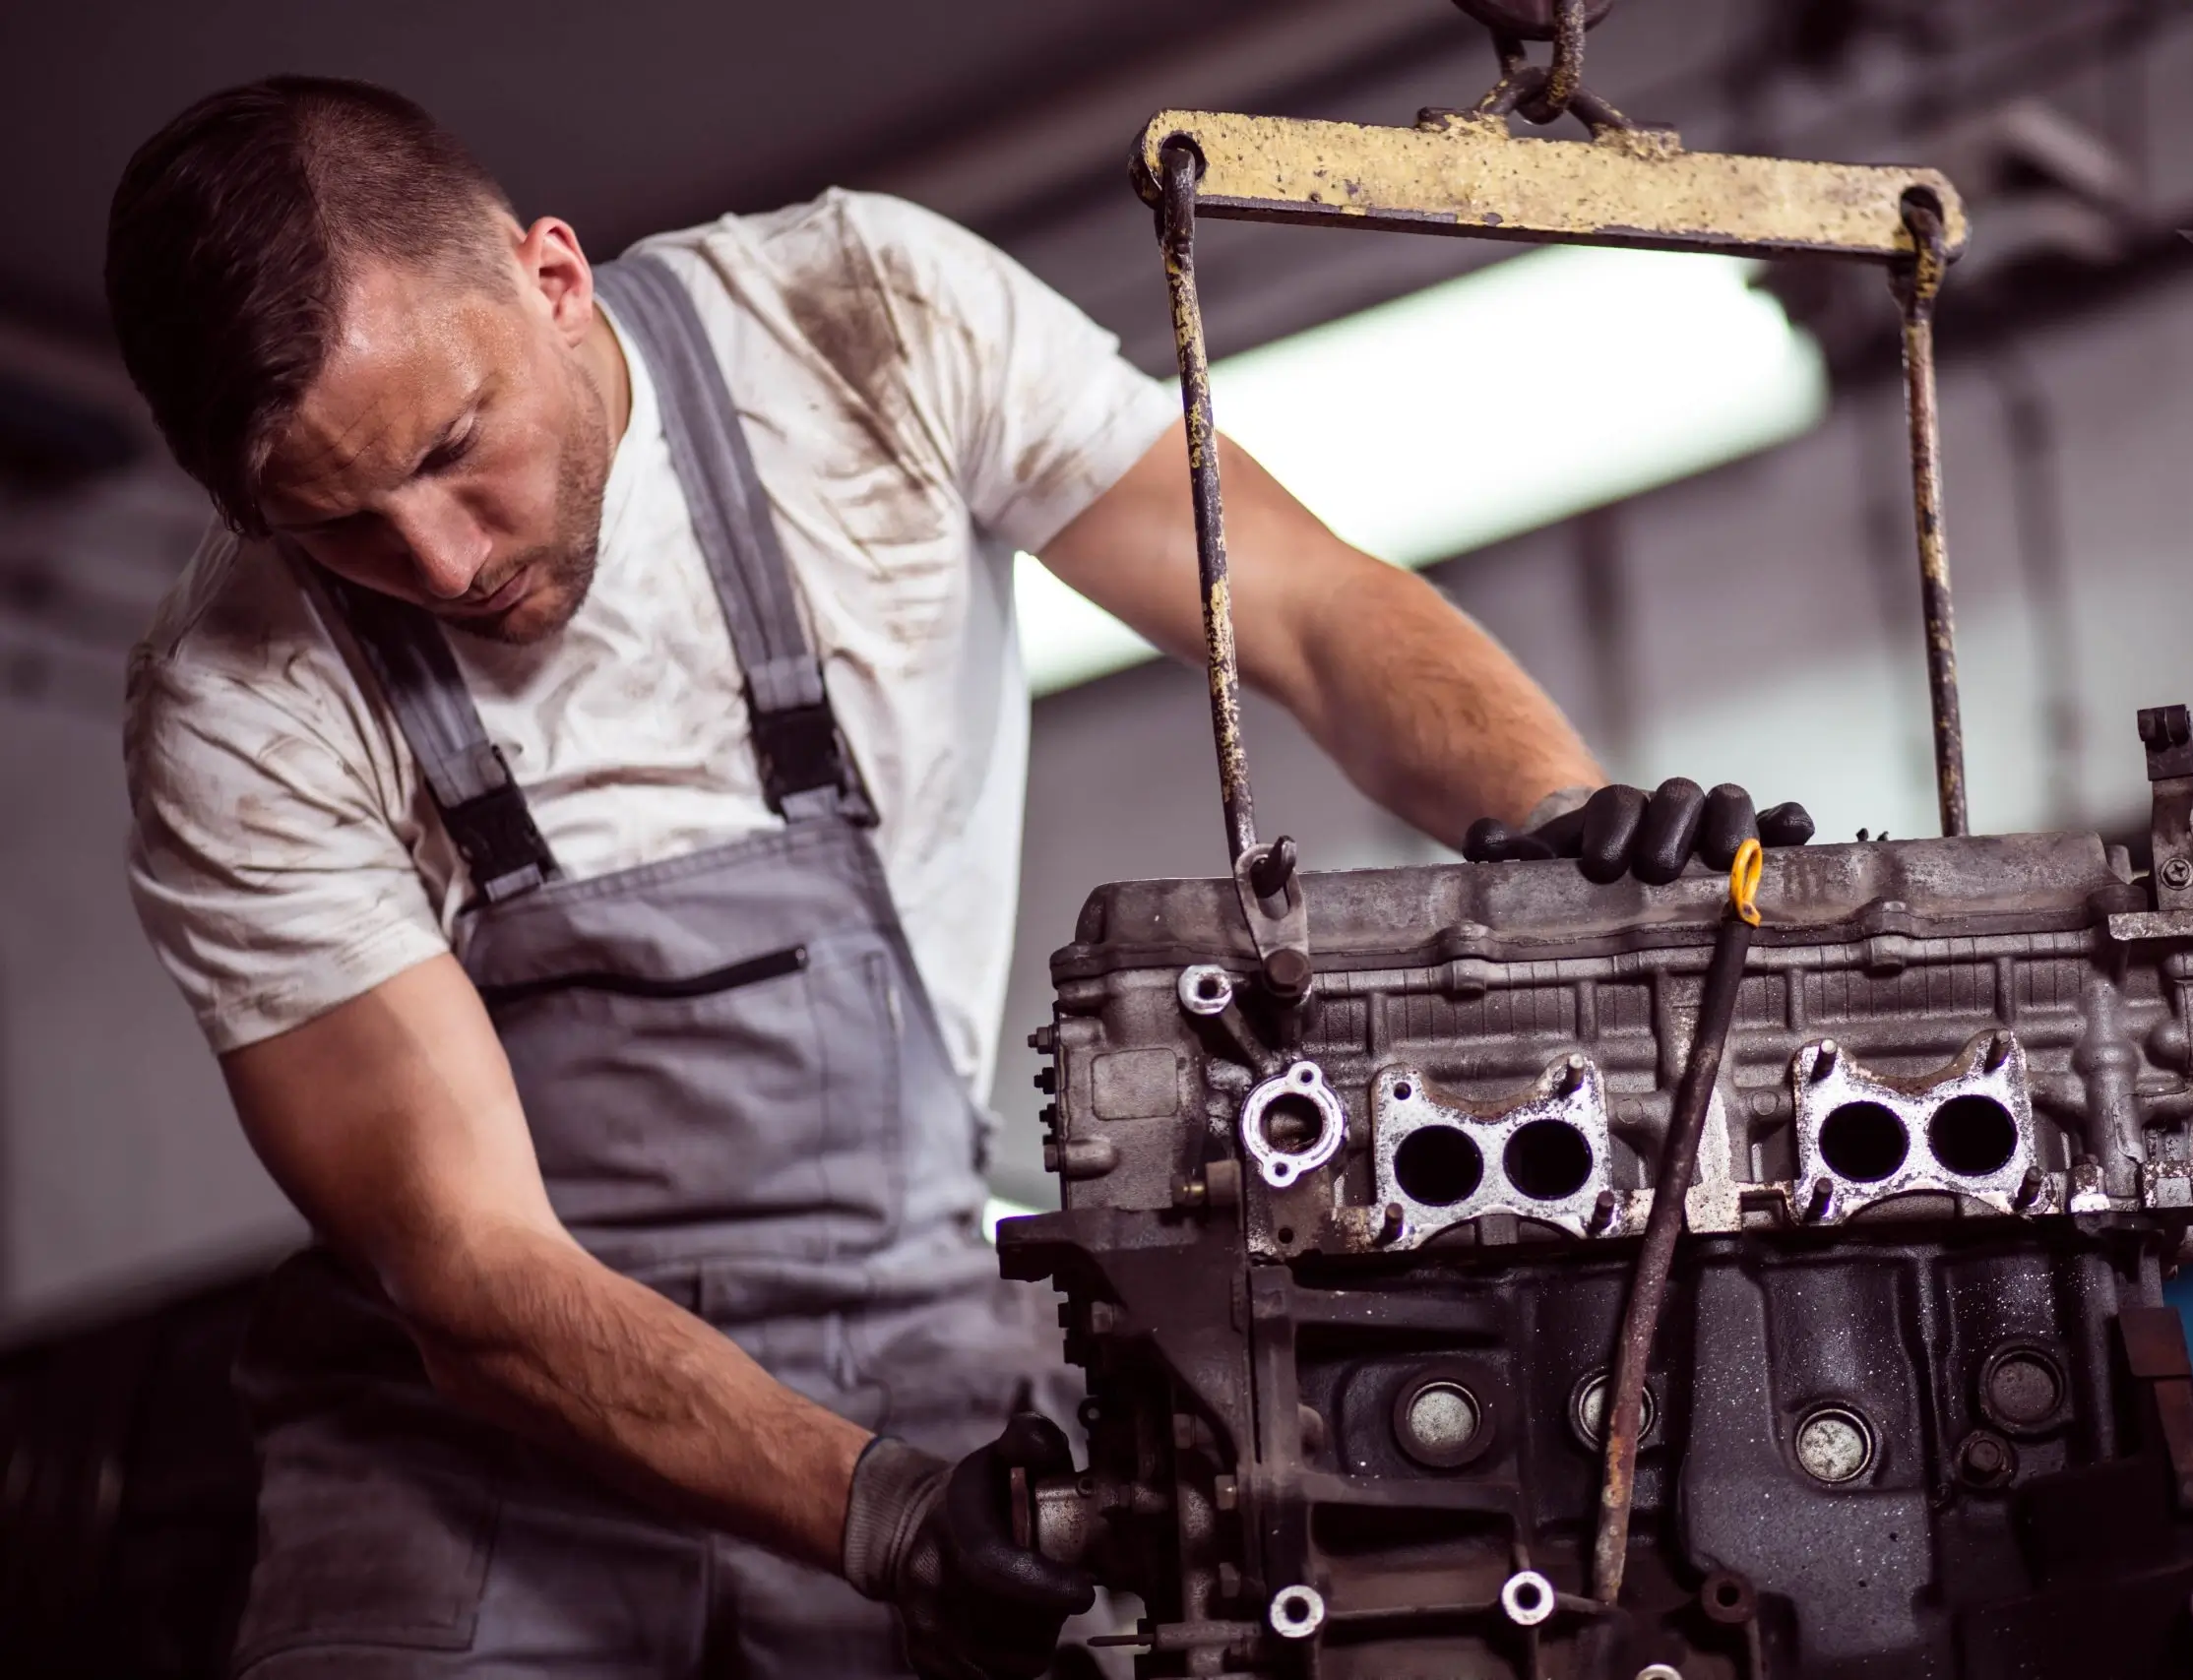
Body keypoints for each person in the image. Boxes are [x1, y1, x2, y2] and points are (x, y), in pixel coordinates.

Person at [107, 75, 1801, 1679]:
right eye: (333, 525)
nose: (441, 561)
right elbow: (476, 1277)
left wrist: (1560, 813)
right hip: (465, 1453)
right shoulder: (237, 702)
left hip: (913, 1335)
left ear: (552, 277)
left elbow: (1288, 598)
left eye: (451, 448)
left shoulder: (859, 322)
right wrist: (886, 1515)